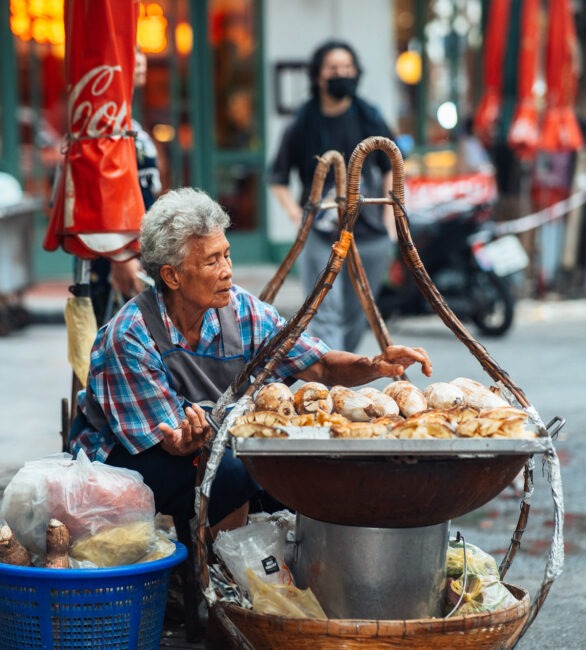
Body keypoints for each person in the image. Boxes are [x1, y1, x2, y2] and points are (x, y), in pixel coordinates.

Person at [68, 187, 433, 536]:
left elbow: (318, 365)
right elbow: (169, 442)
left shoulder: (242, 310)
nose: (228, 269)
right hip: (121, 460)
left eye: (226, 254)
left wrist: (373, 365)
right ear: (172, 276)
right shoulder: (130, 335)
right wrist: (188, 441)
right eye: (212, 261)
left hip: (202, 440)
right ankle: (219, 576)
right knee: (232, 474)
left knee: (294, 476)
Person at [269, 40, 398, 352]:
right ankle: (330, 376)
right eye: (333, 68)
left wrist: (389, 216)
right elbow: (277, 177)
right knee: (324, 311)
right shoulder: (302, 123)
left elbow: (393, 164)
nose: (341, 74)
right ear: (318, 75)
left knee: (358, 315)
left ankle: (342, 372)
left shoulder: (370, 117)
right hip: (320, 234)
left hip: (369, 236)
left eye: (347, 68)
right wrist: (294, 213)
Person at [89, 46, 163, 324]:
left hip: (139, 251)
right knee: (112, 346)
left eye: (142, 52)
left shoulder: (129, 120)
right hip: (113, 256)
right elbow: (101, 194)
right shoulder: (104, 122)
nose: (141, 60)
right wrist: (119, 259)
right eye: (131, 53)